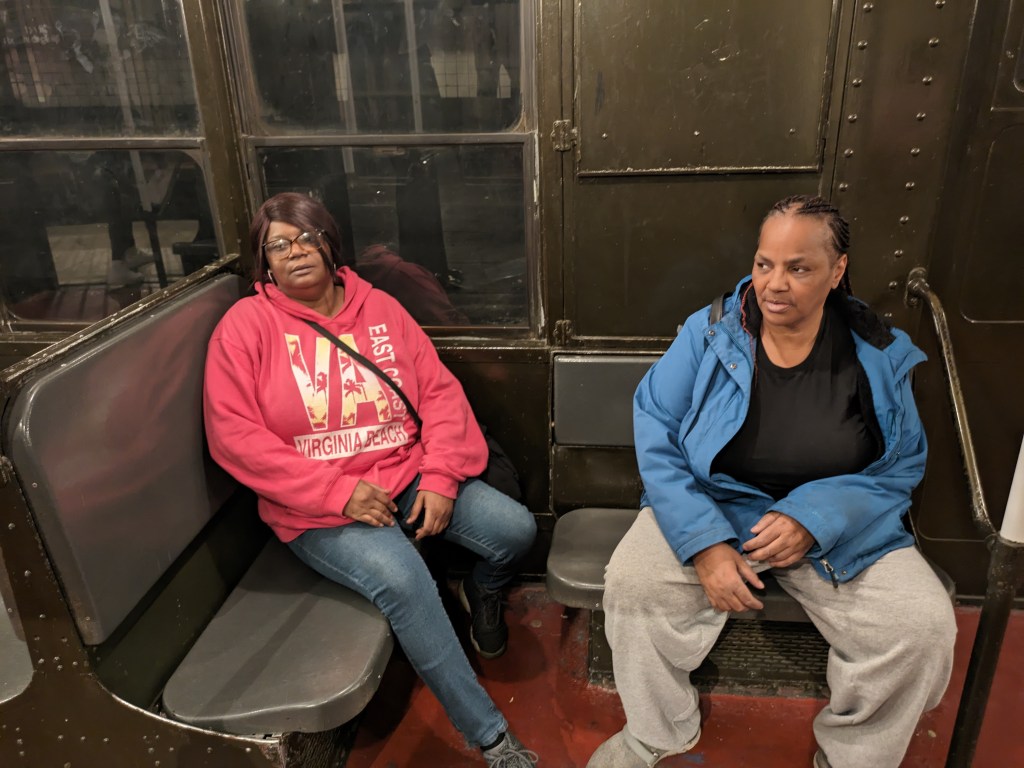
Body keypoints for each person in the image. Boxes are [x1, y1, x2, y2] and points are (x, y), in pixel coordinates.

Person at [587, 195, 956, 768]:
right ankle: (658, 731)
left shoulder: (880, 353)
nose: (774, 284)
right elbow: (656, 428)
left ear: (836, 270)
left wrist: (814, 518)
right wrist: (703, 543)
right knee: (634, 585)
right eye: (765, 264)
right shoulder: (710, 332)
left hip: (840, 528)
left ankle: (855, 758)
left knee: (921, 625)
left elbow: (901, 466)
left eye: (798, 268)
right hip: (719, 505)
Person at [203, 192, 539, 767]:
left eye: (305, 238)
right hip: (317, 507)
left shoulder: (380, 308)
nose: (295, 252)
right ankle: (492, 739)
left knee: (515, 530)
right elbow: (234, 437)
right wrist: (336, 492)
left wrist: (439, 477)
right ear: (265, 264)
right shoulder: (245, 328)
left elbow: (439, 393)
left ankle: (482, 590)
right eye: (278, 246)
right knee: (407, 582)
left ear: (329, 243)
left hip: (405, 475)